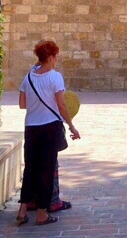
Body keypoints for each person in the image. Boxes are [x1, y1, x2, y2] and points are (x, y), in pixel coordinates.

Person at [15, 40, 80, 226]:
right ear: (50, 57)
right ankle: (42, 213)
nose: (57, 59)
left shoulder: (28, 77)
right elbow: (61, 104)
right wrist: (71, 126)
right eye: (56, 56)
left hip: (31, 127)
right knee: (46, 170)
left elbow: (22, 104)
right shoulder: (55, 77)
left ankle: (22, 210)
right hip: (49, 127)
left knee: (30, 168)